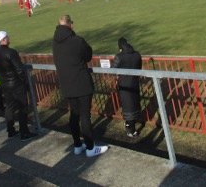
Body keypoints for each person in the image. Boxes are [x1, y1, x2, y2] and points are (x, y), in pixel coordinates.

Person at [52, 14, 108, 157]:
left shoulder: (55, 43)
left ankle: (77, 144)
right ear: (70, 24)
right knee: (84, 116)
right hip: (81, 82)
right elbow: (88, 55)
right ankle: (90, 148)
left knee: (74, 115)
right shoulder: (77, 41)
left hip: (67, 83)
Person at [0, 31, 36, 141]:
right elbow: (19, 69)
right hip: (16, 84)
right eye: (7, 37)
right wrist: (25, 82)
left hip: (4, 84)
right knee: (22, 107)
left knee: (9, 107)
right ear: (3, 39)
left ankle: (10, 130)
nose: (9, 38)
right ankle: (24, 133)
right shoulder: (11, 52)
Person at [112, 37, 142, 137]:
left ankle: (130, 129)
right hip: (134, 83)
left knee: (128, 106)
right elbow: (139, 67)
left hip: (124, 85)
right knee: (134, 103)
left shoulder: (119, 56)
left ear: (120, 47)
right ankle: (132, 125)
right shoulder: (137, 54)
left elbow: (113, 70)